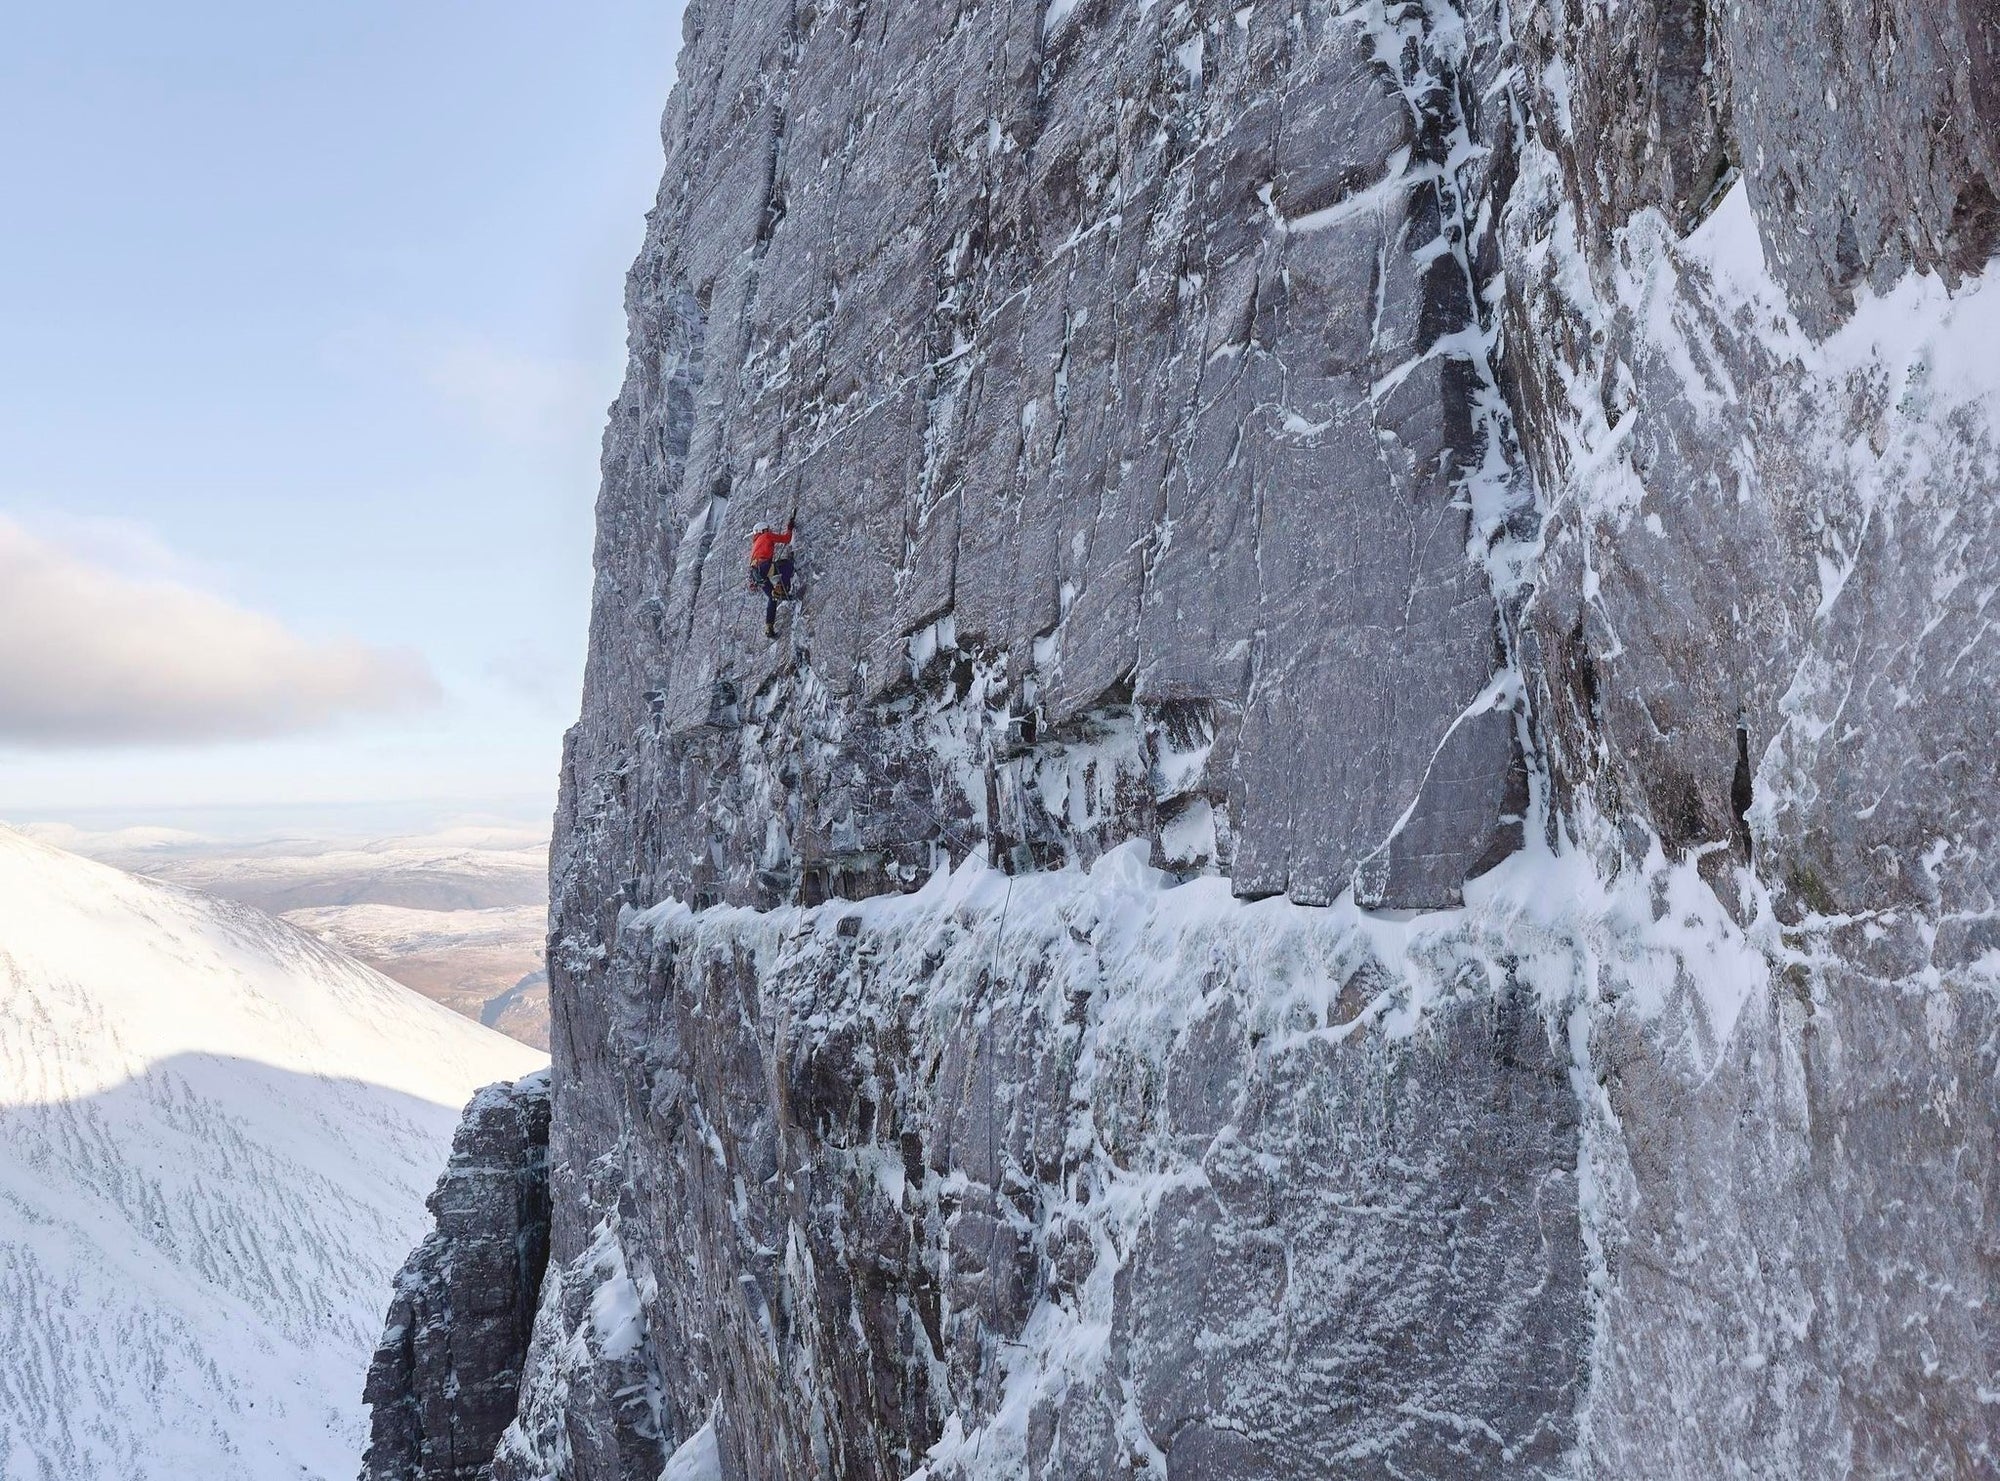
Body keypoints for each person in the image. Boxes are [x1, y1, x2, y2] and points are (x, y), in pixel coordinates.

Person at [749, 516, 795, 638]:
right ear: (763, 530)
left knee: (772, 598)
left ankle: (769, 628)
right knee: (787, 565)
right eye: (767, 529)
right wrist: (790, 528)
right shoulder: (766, 536)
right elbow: (786, 539)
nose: (769, 530)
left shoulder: (755, 544)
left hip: (756, 574)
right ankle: (781, 589)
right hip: (763, 567)